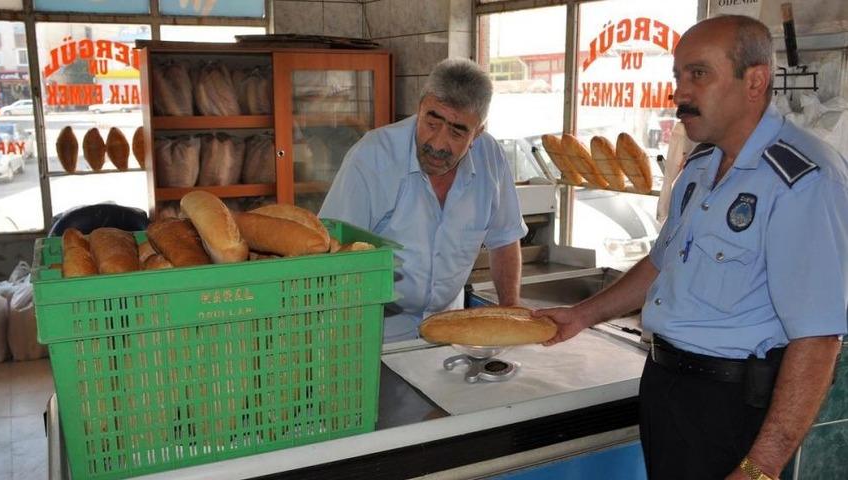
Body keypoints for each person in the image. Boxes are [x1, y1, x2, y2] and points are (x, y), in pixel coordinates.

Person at [535, 15, 846, 480]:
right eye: (677, 76)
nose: (680, 92)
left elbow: (819, 339)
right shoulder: (701, 164)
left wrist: (760, 468)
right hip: (667, 387)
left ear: (755, 81)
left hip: (733, 407)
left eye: (698, 74)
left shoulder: (802, 181)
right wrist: (582, 315)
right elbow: (661, 264)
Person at [320, 58, 527, 343]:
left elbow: (504, 239)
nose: (439, 144)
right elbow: (332, 250)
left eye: (457, 132)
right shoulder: (372, 157)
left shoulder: (491, 159)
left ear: (477, 132)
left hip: (449, 332)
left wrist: (510, 313)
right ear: (419, 108)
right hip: (377, 335)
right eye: (432, 121)